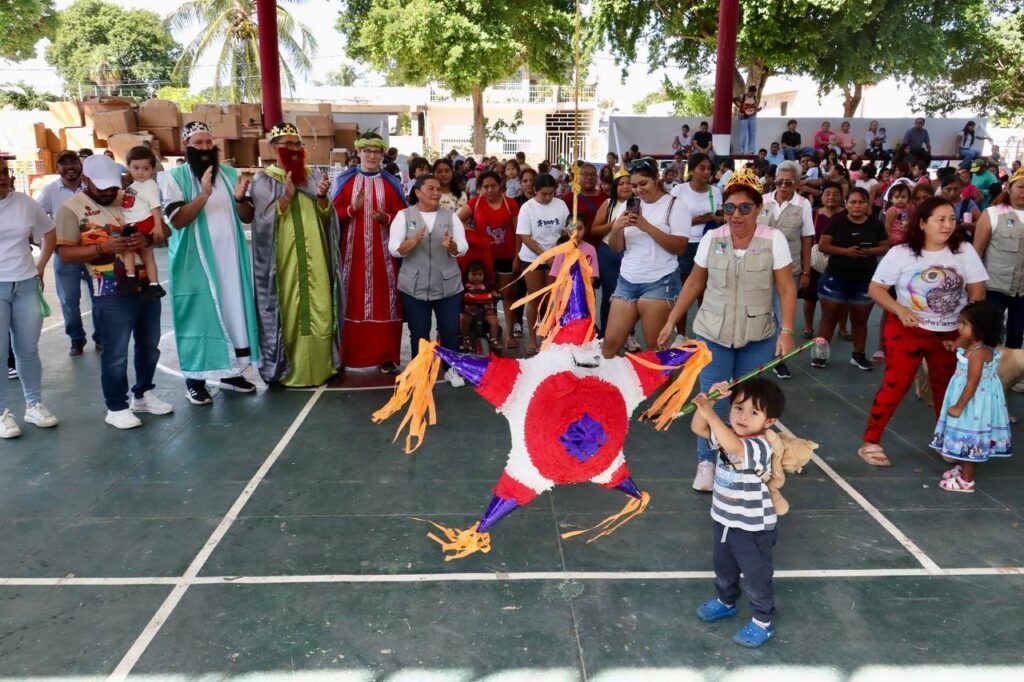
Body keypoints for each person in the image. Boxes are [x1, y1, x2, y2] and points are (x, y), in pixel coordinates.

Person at [658, 168, 796, 491]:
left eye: (745, 208)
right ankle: (706, 462)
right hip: (712, 334)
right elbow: (694, 283)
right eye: (730, 208)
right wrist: (670, 320)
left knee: (748, 404)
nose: (736, 215)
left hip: (758, 336)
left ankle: (742, 462)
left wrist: (787, 331)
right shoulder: (712, 238)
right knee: (713, 400)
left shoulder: (773, 240)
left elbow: (786, 288)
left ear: (758, 208)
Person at [858, 197, 987, 467]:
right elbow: (876, 289)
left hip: (951, 334)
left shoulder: (964, 251)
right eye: (940, 219)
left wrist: (964, 335)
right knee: (896, 384)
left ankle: (946, 441)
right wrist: (900, 310)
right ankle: (870, 441)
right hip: (907, 330)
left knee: (947, 388)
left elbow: (977, 293)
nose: (948, 225)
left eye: (951, 219)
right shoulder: (901, 253)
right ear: (922, 223)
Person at [56, 155, 172, 429]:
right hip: (110, 290)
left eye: (112, 187)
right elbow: (66, 254)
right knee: (116, 352)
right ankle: (116, 406)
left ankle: (143, 394)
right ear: (86, 180)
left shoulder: (131, 195)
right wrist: (103, 248)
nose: (109, 192)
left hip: (146, 284)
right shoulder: (71, 209)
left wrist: (147, 237)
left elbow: (165, 230)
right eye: (102, 188)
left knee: (149, 345)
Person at [159, 122, 261, 404]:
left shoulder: (229, 174)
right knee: (197, 317)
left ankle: (231, 374)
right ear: (186, 146)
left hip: (231, 259)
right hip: (196, 262)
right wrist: (204, 194)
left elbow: (247, 217)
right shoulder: (173, 178)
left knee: (233, 313)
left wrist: (240, 198)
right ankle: (195, 380)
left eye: (208, 142)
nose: (204, 148)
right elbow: (178, 220)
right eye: (198, 143)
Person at [248, 123, 343, 389]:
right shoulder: (264, 180)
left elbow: (326, 216)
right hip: (283, 262)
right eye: (286, 144)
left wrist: (322, 198)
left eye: (297, 144)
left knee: (321, 307)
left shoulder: (314, 176)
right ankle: (288, 369)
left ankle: (323, 366)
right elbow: (261, 222)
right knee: (288, 312)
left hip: (316, 257)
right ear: (273, 148)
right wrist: (287, 197)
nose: (293, 149)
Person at [692, 378, 785, 648]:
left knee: (756, 576)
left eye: (754, 412)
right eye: (738, 408)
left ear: (769, 421)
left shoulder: (760, 446)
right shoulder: (728, 433)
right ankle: (726, 600)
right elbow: (698, 427)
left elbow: (734, 448)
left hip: (752, 528)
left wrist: (711, 414)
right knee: (723, 567)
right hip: (724, 520)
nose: (743, 416)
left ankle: (763, 621)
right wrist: (709, 402)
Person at [330, 128, 408, 374]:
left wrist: (386, 218)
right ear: (358, 152)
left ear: (383, 154)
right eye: (367, 151)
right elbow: (330, 214)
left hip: (384, 258)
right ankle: (347, 355)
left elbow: (404, 216)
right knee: (350, 300)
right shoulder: (344, 181)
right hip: (351, 257)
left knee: (386, 302)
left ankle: (385, 356)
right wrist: (351, 209)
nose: (372, 156)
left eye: (376, 151)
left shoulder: (391, 183)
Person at [602, 158, 689, 357]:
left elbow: (679, 248)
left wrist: (646, 226)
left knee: (655, 348)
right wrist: (616, 229)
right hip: (627, 279)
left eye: (643, 183)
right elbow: (616, 248)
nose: (638, 190)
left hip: (660, 281)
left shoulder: (674, 205)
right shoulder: (630, 205)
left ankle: (665, 379)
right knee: (610, 344)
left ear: (656, 178)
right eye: (634, 186)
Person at [389, 174, 468, 386]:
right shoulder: (404, 216)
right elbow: (394, 249)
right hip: (414, 285)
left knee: (450, 329)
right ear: (417, 192)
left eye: (438, 189)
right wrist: (413, 241)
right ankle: (419, 370)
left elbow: (462, 247)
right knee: (419, 331)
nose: (436, 193)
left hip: (448, 284)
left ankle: (451, 369)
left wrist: (451, 246)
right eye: (431, 189)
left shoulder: (451, 217)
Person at [0, 157, 58, 438]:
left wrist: (41, 265)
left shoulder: (24, 202)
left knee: (27, 350)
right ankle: (1, 413)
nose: (2, 177)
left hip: (25, 284)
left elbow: (49, 232)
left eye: (4, 172)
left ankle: (34, 405)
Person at [929, 302, 1011, 493]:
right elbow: (962, 345)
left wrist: (958, 406)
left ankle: (966, 481)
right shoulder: (975, 346)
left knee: (970, 438)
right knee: (963, 434)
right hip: (971, 399)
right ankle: (961, 467)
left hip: (972, 403)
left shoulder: (978, 353)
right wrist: (954, 345)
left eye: (964, 324)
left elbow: (972, 383)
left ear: (980, 329)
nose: (960, 327)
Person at [812, 188, 890, 370]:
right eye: (853, 202)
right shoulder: (837, 221)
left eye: (861, 202)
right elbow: (823, 246)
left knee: (860, 320)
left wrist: (870, 251)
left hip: (865, 280)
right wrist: (845, 252)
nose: (857, 206)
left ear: (868, 204)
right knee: (828, 318)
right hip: (836, 278)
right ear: (846, 204)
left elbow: (885, 246)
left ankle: (858, 355)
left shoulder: (876, 224)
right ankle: (820, 354)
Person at [36, 150, 101, 356]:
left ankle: (101, 337)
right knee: (69, 300)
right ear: (57, 168)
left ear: (80, 164)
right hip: (65, 254)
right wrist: (48, 241)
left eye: (74, 161)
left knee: (99, 295)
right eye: (64, 163)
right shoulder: (49, 192)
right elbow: (36, 218)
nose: (70, 167)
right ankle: (76, 338)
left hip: (93, 251)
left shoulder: (91, 186)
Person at [760, 160, 813, 379]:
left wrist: (806, 271)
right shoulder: (762, 200)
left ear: (797, 183)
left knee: (783, 316)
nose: (783, 186)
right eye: (779, 182)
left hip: (790, 269)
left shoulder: (803, 205)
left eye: (788, 183)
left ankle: (779, 360)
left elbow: (807, 239)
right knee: (760, 312)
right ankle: (759, 354)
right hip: (761, 268)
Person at [457, 170, 519, 349]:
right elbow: (457, 220)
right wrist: (472, 232)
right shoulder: (475, 203)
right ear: (480, 188)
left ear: (500, 186)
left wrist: (517, 256)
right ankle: (492, 334)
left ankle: (510, 335)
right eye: (486, 187)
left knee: (508, 296)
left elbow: (518, 232)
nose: (490, 190)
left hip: (507, 257)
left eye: (493, 186)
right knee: (487, 297)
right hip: (483, 258)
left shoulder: (510, 203)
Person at [516, 173, 571, 354]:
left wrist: (572, 231)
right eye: (543, 194)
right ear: (535, 190)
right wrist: (545, 256)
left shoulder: (561, 204)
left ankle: (549, 336)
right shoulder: (527, 208)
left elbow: (567, 227)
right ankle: (532, 339)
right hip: (532, 258)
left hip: (555, 257)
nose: (547, 198)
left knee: (551, 299)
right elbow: (525, 237)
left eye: (551, 194)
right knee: (535, 299)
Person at [972, 167, 1024, 352]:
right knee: (989, 333)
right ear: (1008, 188)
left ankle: (1010, 368)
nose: (1023, 192)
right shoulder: (992, 214)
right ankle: (985, 365)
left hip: (1022, 290)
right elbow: (977, 251)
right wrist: (975, 286)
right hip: (994, 287)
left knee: (1017, 333)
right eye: (1021, 187)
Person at [119, 146, 166, 298]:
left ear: (153, 169)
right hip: (136, 222)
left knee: (127, 247)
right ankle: (153, 284)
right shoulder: (134, 185)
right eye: (136, 168)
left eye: (146, 168)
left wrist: (157, 225)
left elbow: (155, 206)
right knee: (146, 254)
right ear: (128, 166)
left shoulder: (149, 185)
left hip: (143, 222)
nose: (141, 172)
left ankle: (131, 277)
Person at [591, 173, 633, 335]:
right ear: (615, 187)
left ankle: (628, 334)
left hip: (632, 253)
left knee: (631, 295)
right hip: (609, 252)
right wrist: (614, 224)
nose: (625, 186)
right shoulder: (608, 203)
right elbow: (595, 230)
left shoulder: (638, 203)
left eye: (629, 183)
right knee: (610, 294)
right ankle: (605, 333)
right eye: (621, 183)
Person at [803, 182, 845, 338]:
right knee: (810, 297)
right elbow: (806, 238)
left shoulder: (847, 214)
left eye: (836, 194)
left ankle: (842, 327)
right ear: (821, 197)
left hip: (840, 262)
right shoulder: (813, 214)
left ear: (842, 197)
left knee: (841, 298)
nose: (831, 197)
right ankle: (808, 327)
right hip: (814, 261)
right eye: (827, 194)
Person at [561, 163, 608, 249]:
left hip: (601, 246)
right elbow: (564, 224)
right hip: (577, 246)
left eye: (593, 174)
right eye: (585, 174)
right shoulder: (569, 197)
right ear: (579, 177)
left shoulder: (605, 197)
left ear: (597, 177)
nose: (589, 177)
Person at [460, 259, 500, 353]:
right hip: (470, 309)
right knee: (464, 319)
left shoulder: (486, 286)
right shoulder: (465, 286)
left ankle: (493, 339)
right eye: (474, 274)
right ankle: (465, 338)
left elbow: (493, 292)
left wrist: (495, 294)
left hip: (486, 309)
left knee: (494, 321)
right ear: (467, 275)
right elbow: (459, 296)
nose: (477, 277)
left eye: (480, 274)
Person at [939, 174, 981, 243]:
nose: (952, 193)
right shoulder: (937, 203)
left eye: (956, 189)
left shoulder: (968, 203)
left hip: (961, 241)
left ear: (962, 189)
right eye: (948, 189)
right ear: (942, 189)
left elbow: (980, 222)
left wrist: (967, 226)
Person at [735, 85, 760, 155]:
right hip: (744, 117)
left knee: (752, 134)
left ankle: (751, 151)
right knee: (743, 134)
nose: (752, 94)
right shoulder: (742, 96)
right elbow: (734, 99)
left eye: (753, 92)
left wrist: (757, 109)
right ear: (749, 91)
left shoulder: (754, 97)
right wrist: (740, 107)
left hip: (752, 117)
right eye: (751, 92)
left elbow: (755, 106)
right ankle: (741, 151)